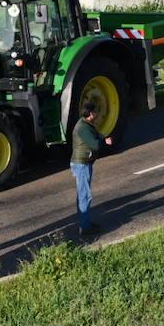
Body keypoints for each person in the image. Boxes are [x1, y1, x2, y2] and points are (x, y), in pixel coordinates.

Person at [70, 102, 113, 238]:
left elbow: (96, 134)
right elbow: (95, 145)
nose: (97, 114)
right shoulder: (83, 128)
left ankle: (86, 223)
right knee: (85, 196)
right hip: (82, 165)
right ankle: (85, 228)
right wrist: (105, 142)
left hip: (84, 163)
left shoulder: (85, 124)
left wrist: (103, 136)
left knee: (83, 195)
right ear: (90, 114)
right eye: (95, 111)